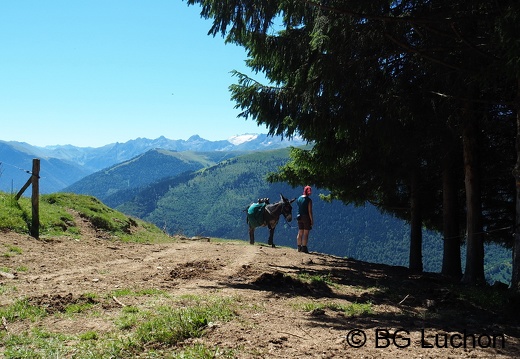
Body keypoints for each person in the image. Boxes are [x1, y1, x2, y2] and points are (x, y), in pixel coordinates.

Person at [296, 185, 313, 253]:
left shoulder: (299, 198)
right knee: (306, 233)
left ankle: (299, 247)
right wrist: (311, 220)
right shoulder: (309, 200)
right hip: (306, 217)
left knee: (300, 232)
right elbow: (310, 211)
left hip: (299, 217)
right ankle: (304, 248)